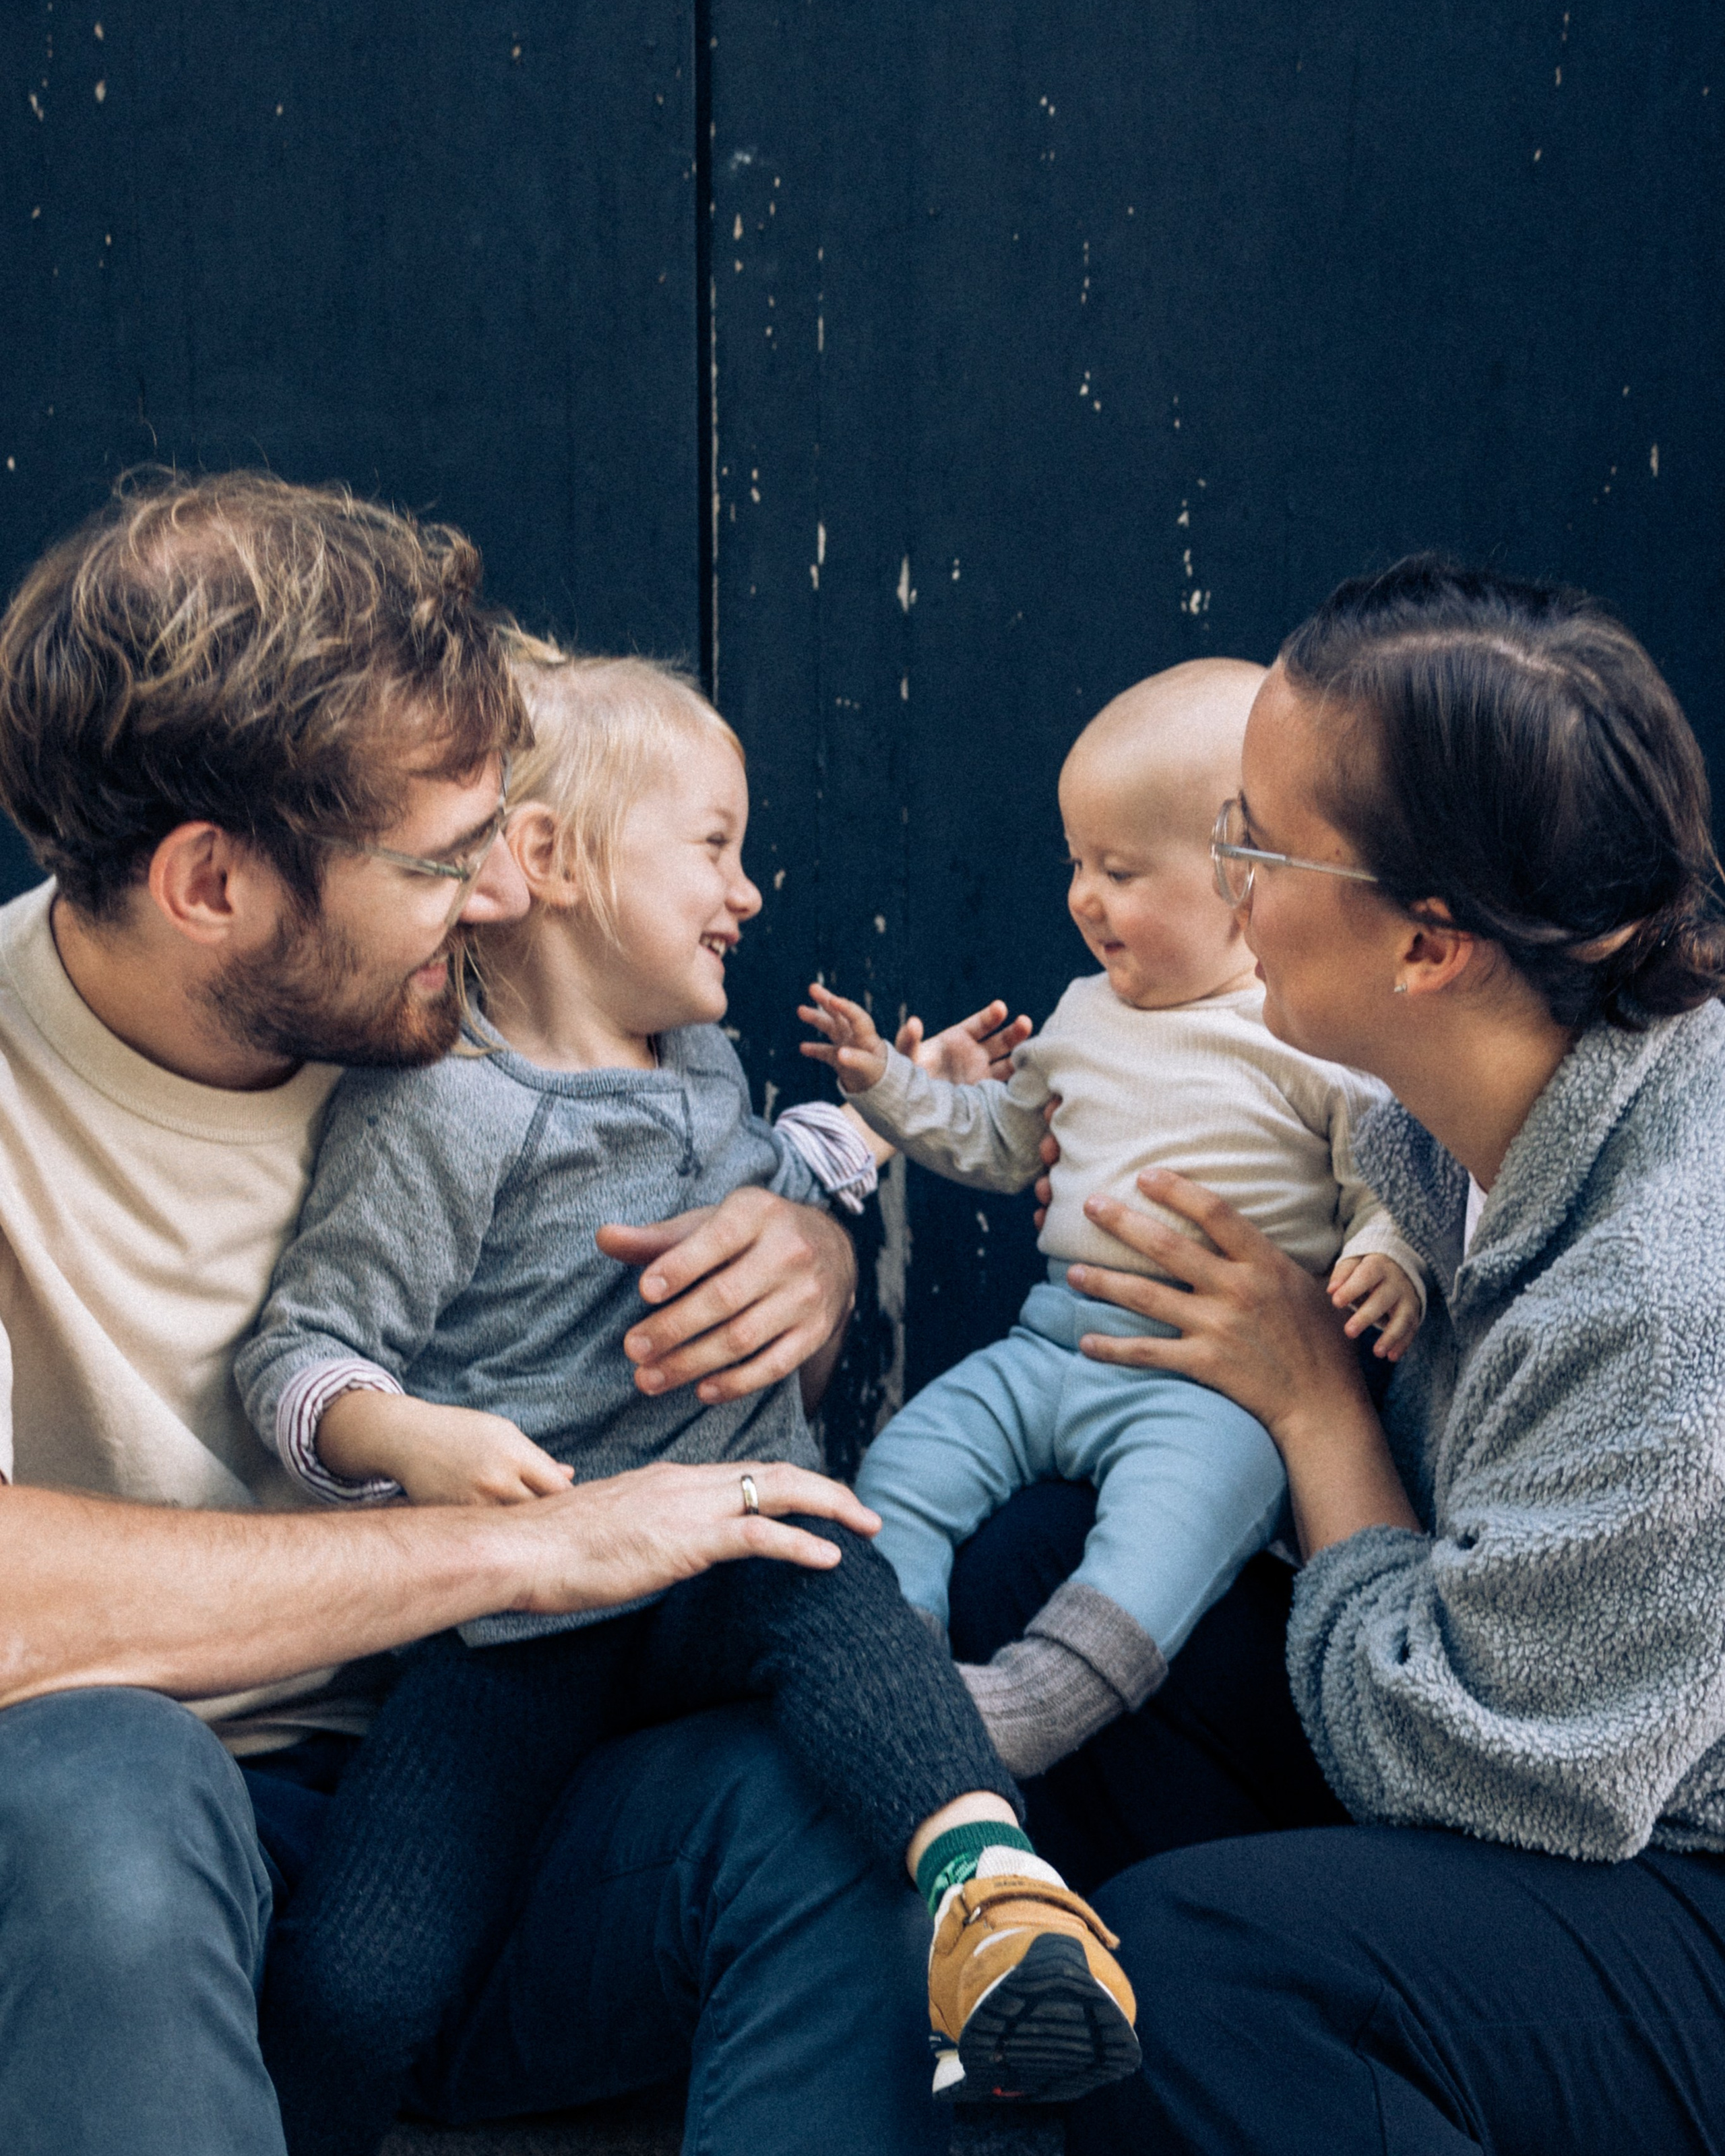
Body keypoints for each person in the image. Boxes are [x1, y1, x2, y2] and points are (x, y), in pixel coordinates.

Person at [0, 471, 955, 2156]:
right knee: (109, 1787)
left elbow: (701, 1252)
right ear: (211, 883)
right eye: (445, 862)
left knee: (838, 1796)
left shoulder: (490, 1020)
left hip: (484, 1782)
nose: (507, 898)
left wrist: (796, 1258)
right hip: (120, 1852)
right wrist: (519, 1548)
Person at [235, 644, 1140, 2151]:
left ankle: (997, 1896)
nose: (748, 892)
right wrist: (412, 1438)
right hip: (514, 1613)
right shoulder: (443, 1110)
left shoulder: (702, 1058)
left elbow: (778, 1174)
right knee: (355, 1983)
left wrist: (901, 1110)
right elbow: (300, 1353)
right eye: (712, 847)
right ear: (547, 861)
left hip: (726, 1548)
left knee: (831, 1573)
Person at [949, 557, 1725, 2153]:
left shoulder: (1660, 1295)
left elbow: (1498, 1777)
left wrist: (1317, 1405)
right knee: (1043, 1566)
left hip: (1655, 1858)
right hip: (1520, 1726)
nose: (1219, 880)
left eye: (1250, 841)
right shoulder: (1449, 1119)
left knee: (1189, 1983)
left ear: (1427, 947)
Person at [801, 658, 1424, 1778]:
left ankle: (1040, 1701)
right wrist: (888, 1089)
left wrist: (1388, 1256)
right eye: (1077, 864)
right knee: (906, 1468)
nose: (1084, 898)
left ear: (1243, 879)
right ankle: (895, 1669)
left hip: (1212, 1387)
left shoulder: (1304, 1039)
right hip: (1051, 1345)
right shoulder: (1083, 1016)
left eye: (1121, 870)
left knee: (1163, 1539)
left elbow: (1384, 1184)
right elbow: (1001, 1142)